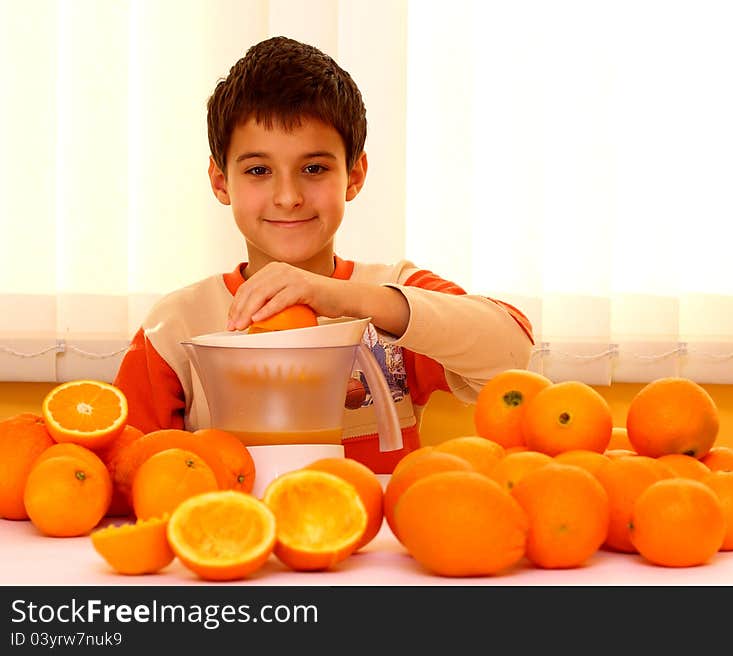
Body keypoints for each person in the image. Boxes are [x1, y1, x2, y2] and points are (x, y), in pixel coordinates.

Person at [113, 36, 534, 473]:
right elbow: (133, 471)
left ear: (354, 175)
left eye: (314, 168)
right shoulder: (177, 322)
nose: (289, 196)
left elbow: (511, 355)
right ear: (221, 182)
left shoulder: (393, 295)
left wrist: (342, 297)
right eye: (259, 170)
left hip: (369, 536)